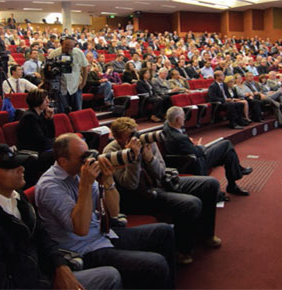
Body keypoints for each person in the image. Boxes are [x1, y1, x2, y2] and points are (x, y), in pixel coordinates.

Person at [0, 144, 122, 289]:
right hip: (32, 283)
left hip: (42, 274)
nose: (21, 168)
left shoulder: (17, 197)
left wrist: (60, 266)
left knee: (110, 276)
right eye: (11, 167)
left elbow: (42, 237)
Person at [35, 133, 176, 289]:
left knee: (164, 232)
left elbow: (114, 211)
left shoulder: (81, 173)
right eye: (83, 157)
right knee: (156, 264)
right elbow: (81, 229)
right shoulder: (49, 186)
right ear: (63, 161)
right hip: (83, 249)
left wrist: (108, 179)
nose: (89, 160)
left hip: (103, 234)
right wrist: (86, 186)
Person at [104, 117, 222, 264]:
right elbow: (130, 185)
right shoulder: (111, 151)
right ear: (117, 138)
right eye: (128, 137)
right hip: (140, 196)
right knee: (191, 203)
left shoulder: (146, 141)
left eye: (135, 133)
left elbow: (161, 172)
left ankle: (207, 234)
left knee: (210, 184)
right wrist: (133, 159)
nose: (135, 139)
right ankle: (182, 250)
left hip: (162, 183)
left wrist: (150, 159)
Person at [162, 106, 253, 196]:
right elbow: (197, 152)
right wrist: (199, 145)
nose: (185, 118)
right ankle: (238, 172)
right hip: (195, 163)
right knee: (226, 144)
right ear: (177, 120)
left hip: (190, 157)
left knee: (229, 154)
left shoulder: (168, 125)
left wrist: (190, 143)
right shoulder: (179, 138)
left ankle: (232, 185)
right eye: (183, 116)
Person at [47, 36, 89, 113]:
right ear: (61, 44)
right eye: (67, 47)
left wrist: (84, 82)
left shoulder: (78, 52)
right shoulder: (54, 54)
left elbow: (85, 67)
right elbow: (48, 69)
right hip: (60, 87)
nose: (69, 50)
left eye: (71, 48)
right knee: (62, 112)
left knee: (77, 111)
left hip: (75, 86)